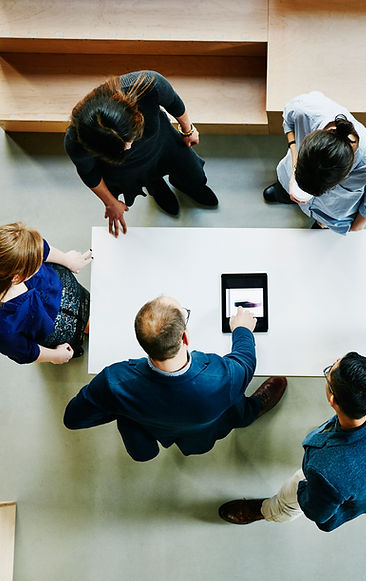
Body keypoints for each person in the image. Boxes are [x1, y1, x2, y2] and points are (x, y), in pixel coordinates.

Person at [64, 296, 287, 462]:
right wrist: (242, 330)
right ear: (186, 337)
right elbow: (245, 361)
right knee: (234, 401)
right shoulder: (222, 375)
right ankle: (251, 411)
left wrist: (123, 410)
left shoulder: (114, 382)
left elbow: (73, 419)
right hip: (204, 431)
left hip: (157, 428)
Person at [219, 352, 366, 532]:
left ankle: (267, 511)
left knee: (289, 499)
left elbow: (317, 511)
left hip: (339, 483)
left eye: (329, 373)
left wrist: (303, 491)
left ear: (333, 400)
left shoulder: (326, 471)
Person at [65, 70, 218, 237]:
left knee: (194, 174)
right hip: (125, 168)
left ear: (134, 116)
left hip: (162, 143)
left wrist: (188, 130)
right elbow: (89, 172)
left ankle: (187, 186)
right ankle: (156, 187)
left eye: (129, 140)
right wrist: (110, 203)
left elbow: (173, 102)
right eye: (121, 148)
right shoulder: (76, 141)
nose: (129, 148)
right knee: (150, 180)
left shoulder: (148, 86)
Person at [263, 91, 366, 235]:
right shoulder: (305, 110)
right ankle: (284, 190)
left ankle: (322, 222)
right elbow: (288, 120)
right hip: (289, 177)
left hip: (331, 213)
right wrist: (294, 167)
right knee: (283, 191)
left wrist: (354, 228)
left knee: (320, 231)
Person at [0, 222, 91, 364]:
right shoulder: (4, 328)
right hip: (55, 326)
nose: (41, 260)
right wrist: (55, 356)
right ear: (17, 277)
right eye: (36, 264)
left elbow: (41, 248)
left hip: (60, 286)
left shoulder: (15, 248)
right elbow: (26, 351)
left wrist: (67, 260)